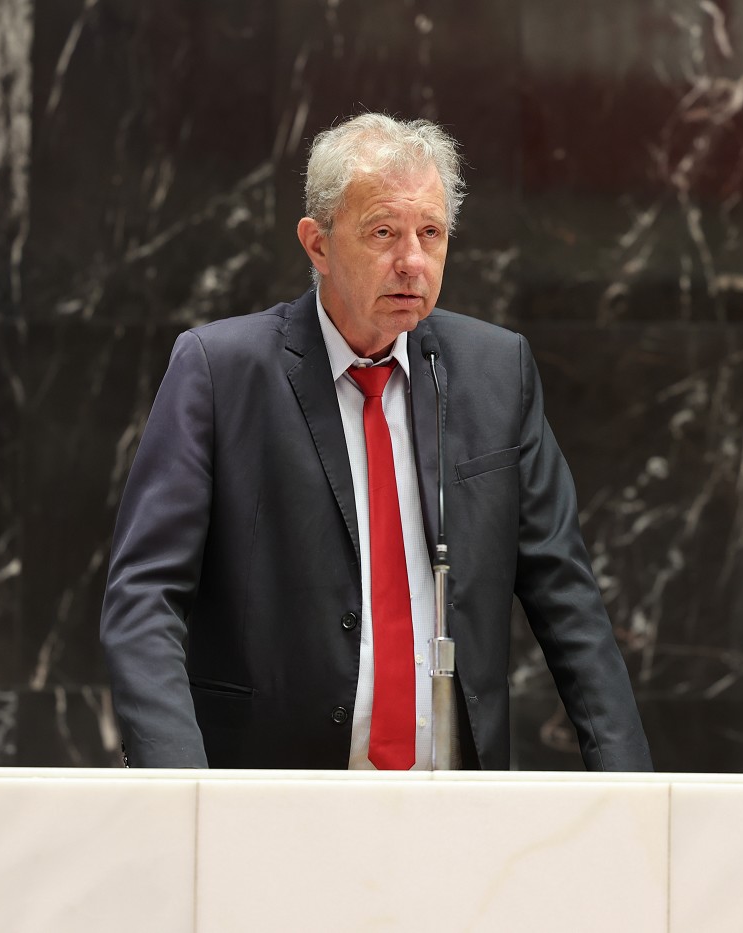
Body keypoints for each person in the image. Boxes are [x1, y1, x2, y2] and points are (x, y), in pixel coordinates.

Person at [100, 113, 651, 771]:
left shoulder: (496, 372)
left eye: (431, 233)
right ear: (318, 244)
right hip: (269, 789)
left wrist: (632, 795)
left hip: (451, 793)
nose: (412, 262)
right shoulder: (221, 372)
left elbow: (569, 602)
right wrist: (181, 791)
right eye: (384, 232)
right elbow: (143, 599)